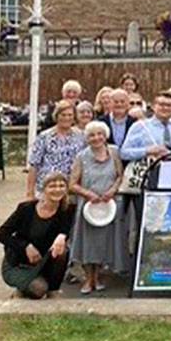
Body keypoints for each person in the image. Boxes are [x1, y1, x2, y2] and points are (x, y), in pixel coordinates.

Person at [69, 122, 127, 294]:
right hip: (89, 206)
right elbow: (72, 184)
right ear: (87, 138)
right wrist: (88, 194)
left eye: (99, 134)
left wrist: (112, 190)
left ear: (105, 135)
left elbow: (120, 176)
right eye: (92, 135)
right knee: (88, 243)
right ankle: (88, 279)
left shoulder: (114, 152)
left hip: (109, 205)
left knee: (104, 241)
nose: (96, 138)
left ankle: (99, 276)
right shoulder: (81, 156)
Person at [0, 172, 74, 298]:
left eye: (61, 186)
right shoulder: (26, 209)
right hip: (19, 264)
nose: (57, 190)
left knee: (63, 251)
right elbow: (1, 234)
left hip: (44, 262)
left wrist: (62, 236)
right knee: (39, 290)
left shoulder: (67, 210)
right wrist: (25, 246)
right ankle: (22, 289)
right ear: (43, 189)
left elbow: (65, 229)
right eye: (52, 186)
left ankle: (53, 290)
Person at [27, 100, 85, 199]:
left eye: (70, 115)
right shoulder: (44, 136)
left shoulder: (81, 136)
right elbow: (34, 165)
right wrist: (30, 193)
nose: (67, 118)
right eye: (63, 115)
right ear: (56, 116)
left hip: (71, 190)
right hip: (47, 189)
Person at [120, 92, 171, 161]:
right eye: (162, 104)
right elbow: (124, 153)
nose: (165, 108)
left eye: (169, 105)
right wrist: (147, 151)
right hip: (150, 171)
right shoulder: (140, 126)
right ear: (153, 106)